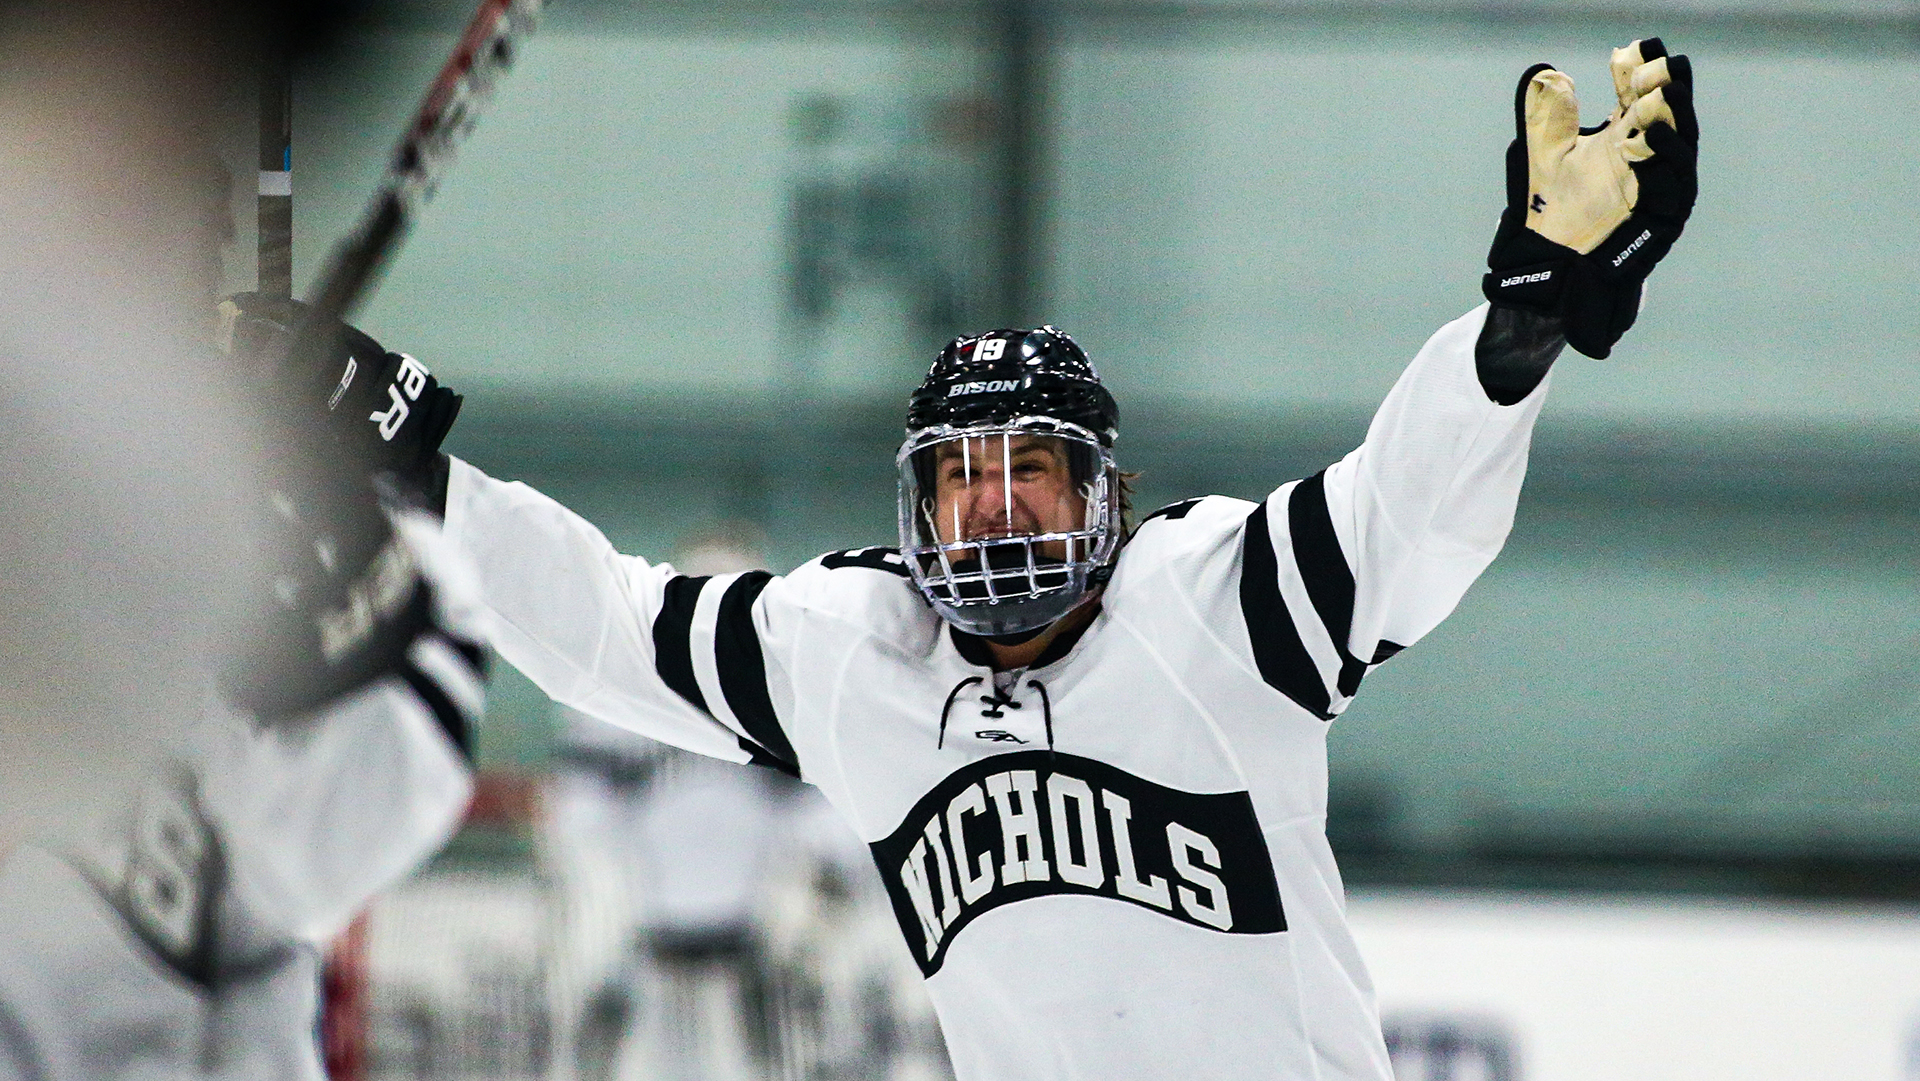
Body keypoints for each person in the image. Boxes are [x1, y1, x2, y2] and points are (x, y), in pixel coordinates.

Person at [390, 40, 1693, 1079]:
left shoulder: (1212, 603)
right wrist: (404, 471)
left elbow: (1404, 512)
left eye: (1029, 465)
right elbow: (608, 623)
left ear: (1101, 490)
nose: (992, 502)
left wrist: (1518, 324)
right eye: (960, 472)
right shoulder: (855, 648)